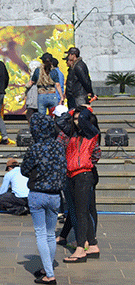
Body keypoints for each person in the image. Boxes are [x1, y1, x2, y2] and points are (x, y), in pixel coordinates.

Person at [20, 113, 67, 283]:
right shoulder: (59, 147)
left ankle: (49, 275)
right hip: (55, 196)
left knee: (40, 234)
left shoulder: (35, 148)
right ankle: (47, 267)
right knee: (49, 234)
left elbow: (24, 170)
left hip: (38, 194)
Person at [57, 107, 101, 263]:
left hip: (83, 174)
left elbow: (96, 155)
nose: (77, 122)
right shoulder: (70, 133)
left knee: (83, 211)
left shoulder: (91, 133)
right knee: (79, 210)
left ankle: (81, 248)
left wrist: (85, 162)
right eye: (74, 119)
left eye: (79, 119)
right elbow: (60, 122)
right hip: (72, 174)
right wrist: (71, 113)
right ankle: (93, 244)